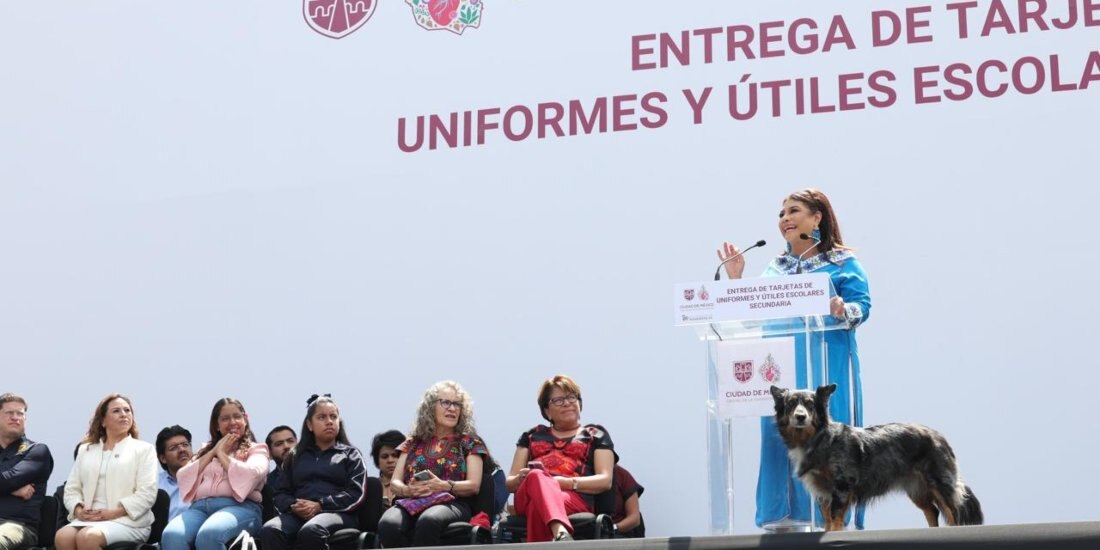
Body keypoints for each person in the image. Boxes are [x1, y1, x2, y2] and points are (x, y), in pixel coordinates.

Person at [717, 187, 871, 530]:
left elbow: (862, 307)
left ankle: (832, 521)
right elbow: (753, 317)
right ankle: (784, 521)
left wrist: (842, 309)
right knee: (782, 439)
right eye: (782, 213)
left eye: (794, 211)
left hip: (826, 369)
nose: (785, 218)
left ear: (817, 218)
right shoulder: (777, 267)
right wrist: (737, 281)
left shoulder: (843, 263)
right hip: (780, 371)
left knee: (830, 443)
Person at [505, 375, 615, 542]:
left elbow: (605, 480)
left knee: (538, 505)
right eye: (558, 400)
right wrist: (521, 478)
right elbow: (509, 483)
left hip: (573, 497)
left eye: (571, 397)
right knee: (536, 475)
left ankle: (559, 535)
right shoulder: (531, 435)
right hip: (527, 494)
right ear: (547, 411)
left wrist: (565, 483)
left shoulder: (595, 434)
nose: (567, 403)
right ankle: (560, 531)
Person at [378, 382, 488, 548]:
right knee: (388, 523)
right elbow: (395, 482)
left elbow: (474, 485)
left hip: (452, 503)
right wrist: (407, 490)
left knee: (429, 520)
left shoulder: (470, 443)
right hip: (412, 501)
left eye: (457, 404)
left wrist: (444, 485)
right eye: (446, 402)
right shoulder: (412, 442)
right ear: (430, 407)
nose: (452, 408)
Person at [258, 395, 366, 550]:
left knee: (311, 530)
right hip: (298, 515)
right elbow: (280, 493)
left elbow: (356, 493)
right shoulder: (295, 457)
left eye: (333, 417)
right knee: (270, 530)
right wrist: (293, 506)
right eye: (322, 417)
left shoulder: (351, 455)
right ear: (309, 424)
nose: (329, 421)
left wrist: (320, 505)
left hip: (338, 514)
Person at [161, 398, 269, 550]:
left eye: (237, 416)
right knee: (172, 535)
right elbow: (183, 475)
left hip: (241, 508)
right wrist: (213, 451)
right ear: (217, 425)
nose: (232, 422)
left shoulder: (257, 449)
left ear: (245, 419)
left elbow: (251, 475)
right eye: (225, 419)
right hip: (199, 509)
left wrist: (222, 455)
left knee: (209, 533)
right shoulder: (204, 450)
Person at [56, 394, 159, 550]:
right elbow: (72, 489)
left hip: (128, 520)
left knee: (87, 537)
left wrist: (113, 513)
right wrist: (78, 510)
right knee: (63, 536)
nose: (124, 414)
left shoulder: (144, 449)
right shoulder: (86, 450)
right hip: (88, 520)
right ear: (103, 421)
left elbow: (148, 492)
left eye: (127, 410)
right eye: (116, 411)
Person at [0, 393, 55, 550]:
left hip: (16, 525)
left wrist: (8, 486)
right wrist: (12, 491)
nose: (15, 417)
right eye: (9, 413)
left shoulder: (37, 451)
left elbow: (7, 480)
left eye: (20, 413)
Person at [156, 425, 194, 521]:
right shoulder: (155, 484)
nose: (182, 450)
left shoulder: (207, 476)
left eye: (185, 444)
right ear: (163, 458)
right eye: (173, 448)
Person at [368, 430, 405, 509]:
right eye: (384, 457)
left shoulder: (412, 485)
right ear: (377, 460)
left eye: (395, 455)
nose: (390, 460)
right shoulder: (370, 488)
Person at [610, 465, 644, 538]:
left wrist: (613, 528)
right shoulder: (584, 476)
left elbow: (635, 518)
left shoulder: (622, 475)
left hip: (617, 534)